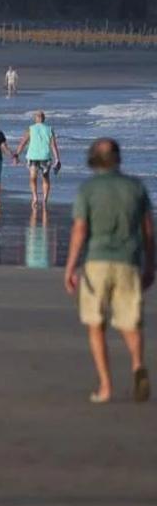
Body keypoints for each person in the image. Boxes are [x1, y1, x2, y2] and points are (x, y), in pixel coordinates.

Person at [63, 138, 154, 404]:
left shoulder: (88, 189)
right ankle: (137, 365)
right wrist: (151, 264)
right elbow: (148, 230)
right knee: (130, 321)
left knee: (96, 323)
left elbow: (80, 230)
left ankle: (106, 386)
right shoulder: (135, 187)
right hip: (129, 261)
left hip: (97, 263)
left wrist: (70, 266)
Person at [15, 110, 62, 208]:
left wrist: (17, 154)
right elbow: (53, 145)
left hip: (33, 156)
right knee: (45, 178)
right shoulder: (49, 129)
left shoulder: (31, 128)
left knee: (33, 178)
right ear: (43, 119)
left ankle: (35, 197)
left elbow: (23, 142)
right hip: (45, 156)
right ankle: (44, 199)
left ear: (36, 119)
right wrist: (57, 158)